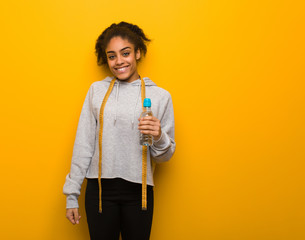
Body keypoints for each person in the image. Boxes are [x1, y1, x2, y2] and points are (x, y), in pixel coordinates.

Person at [63, 21, 176, 240]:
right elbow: (83, 144)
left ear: (138, 53)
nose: (119, 61)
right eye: (112, 56)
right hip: (99, 191)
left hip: (140, 192)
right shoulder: (96, 91)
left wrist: (159, 136)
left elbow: (165, 157)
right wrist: (71, 195)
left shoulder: (161, 97)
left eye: (125, 53)